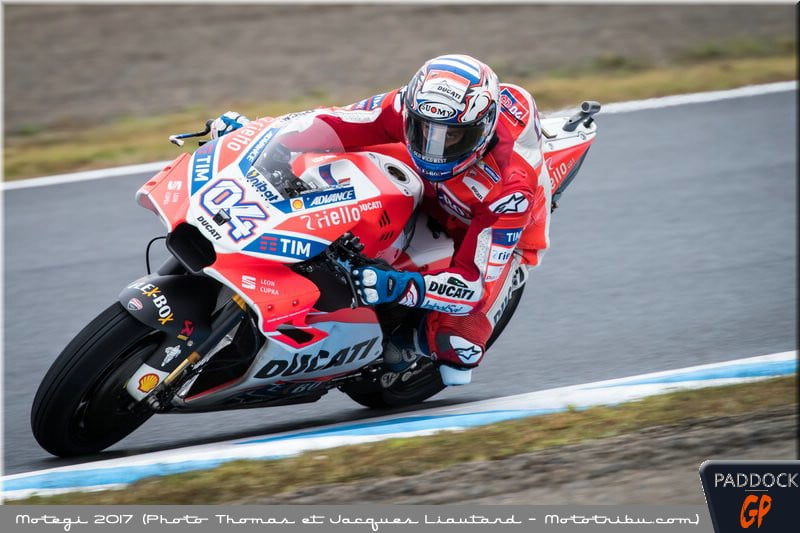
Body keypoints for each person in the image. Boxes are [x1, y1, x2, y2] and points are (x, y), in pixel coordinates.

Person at [210, 54, 551, 386]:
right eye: (424, 130)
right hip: (428, 183)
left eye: (452, 136)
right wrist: (260, 134)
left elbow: (472, 286)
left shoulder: (511, 189)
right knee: (324, 158)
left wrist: (401, 287)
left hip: (487, 223)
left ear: (482, 131)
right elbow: (332, 121)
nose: (434, 148)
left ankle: (408, 344)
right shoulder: (405, 106)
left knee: (459, 346)